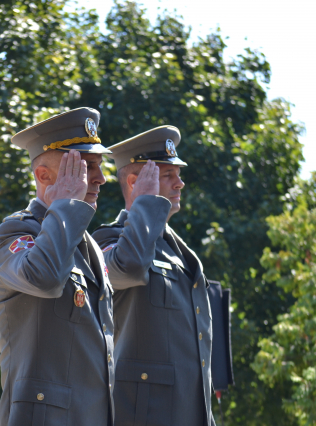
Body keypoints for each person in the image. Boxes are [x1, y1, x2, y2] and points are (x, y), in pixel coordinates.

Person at [0, 108, 116, 426]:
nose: (99, 178)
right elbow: (44, 278)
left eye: (99, 167)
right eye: (84, 167)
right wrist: (66, 207)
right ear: (43, 176)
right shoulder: (15, 233)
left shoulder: (89, 246)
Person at [92, 126, 215, 426]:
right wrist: (145, 205)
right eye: (168, 175)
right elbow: (128, 268)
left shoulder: (179, 251)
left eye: (179, 174)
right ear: (135, 182)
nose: (180, 183)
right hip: (141, 415)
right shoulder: (109, 239)